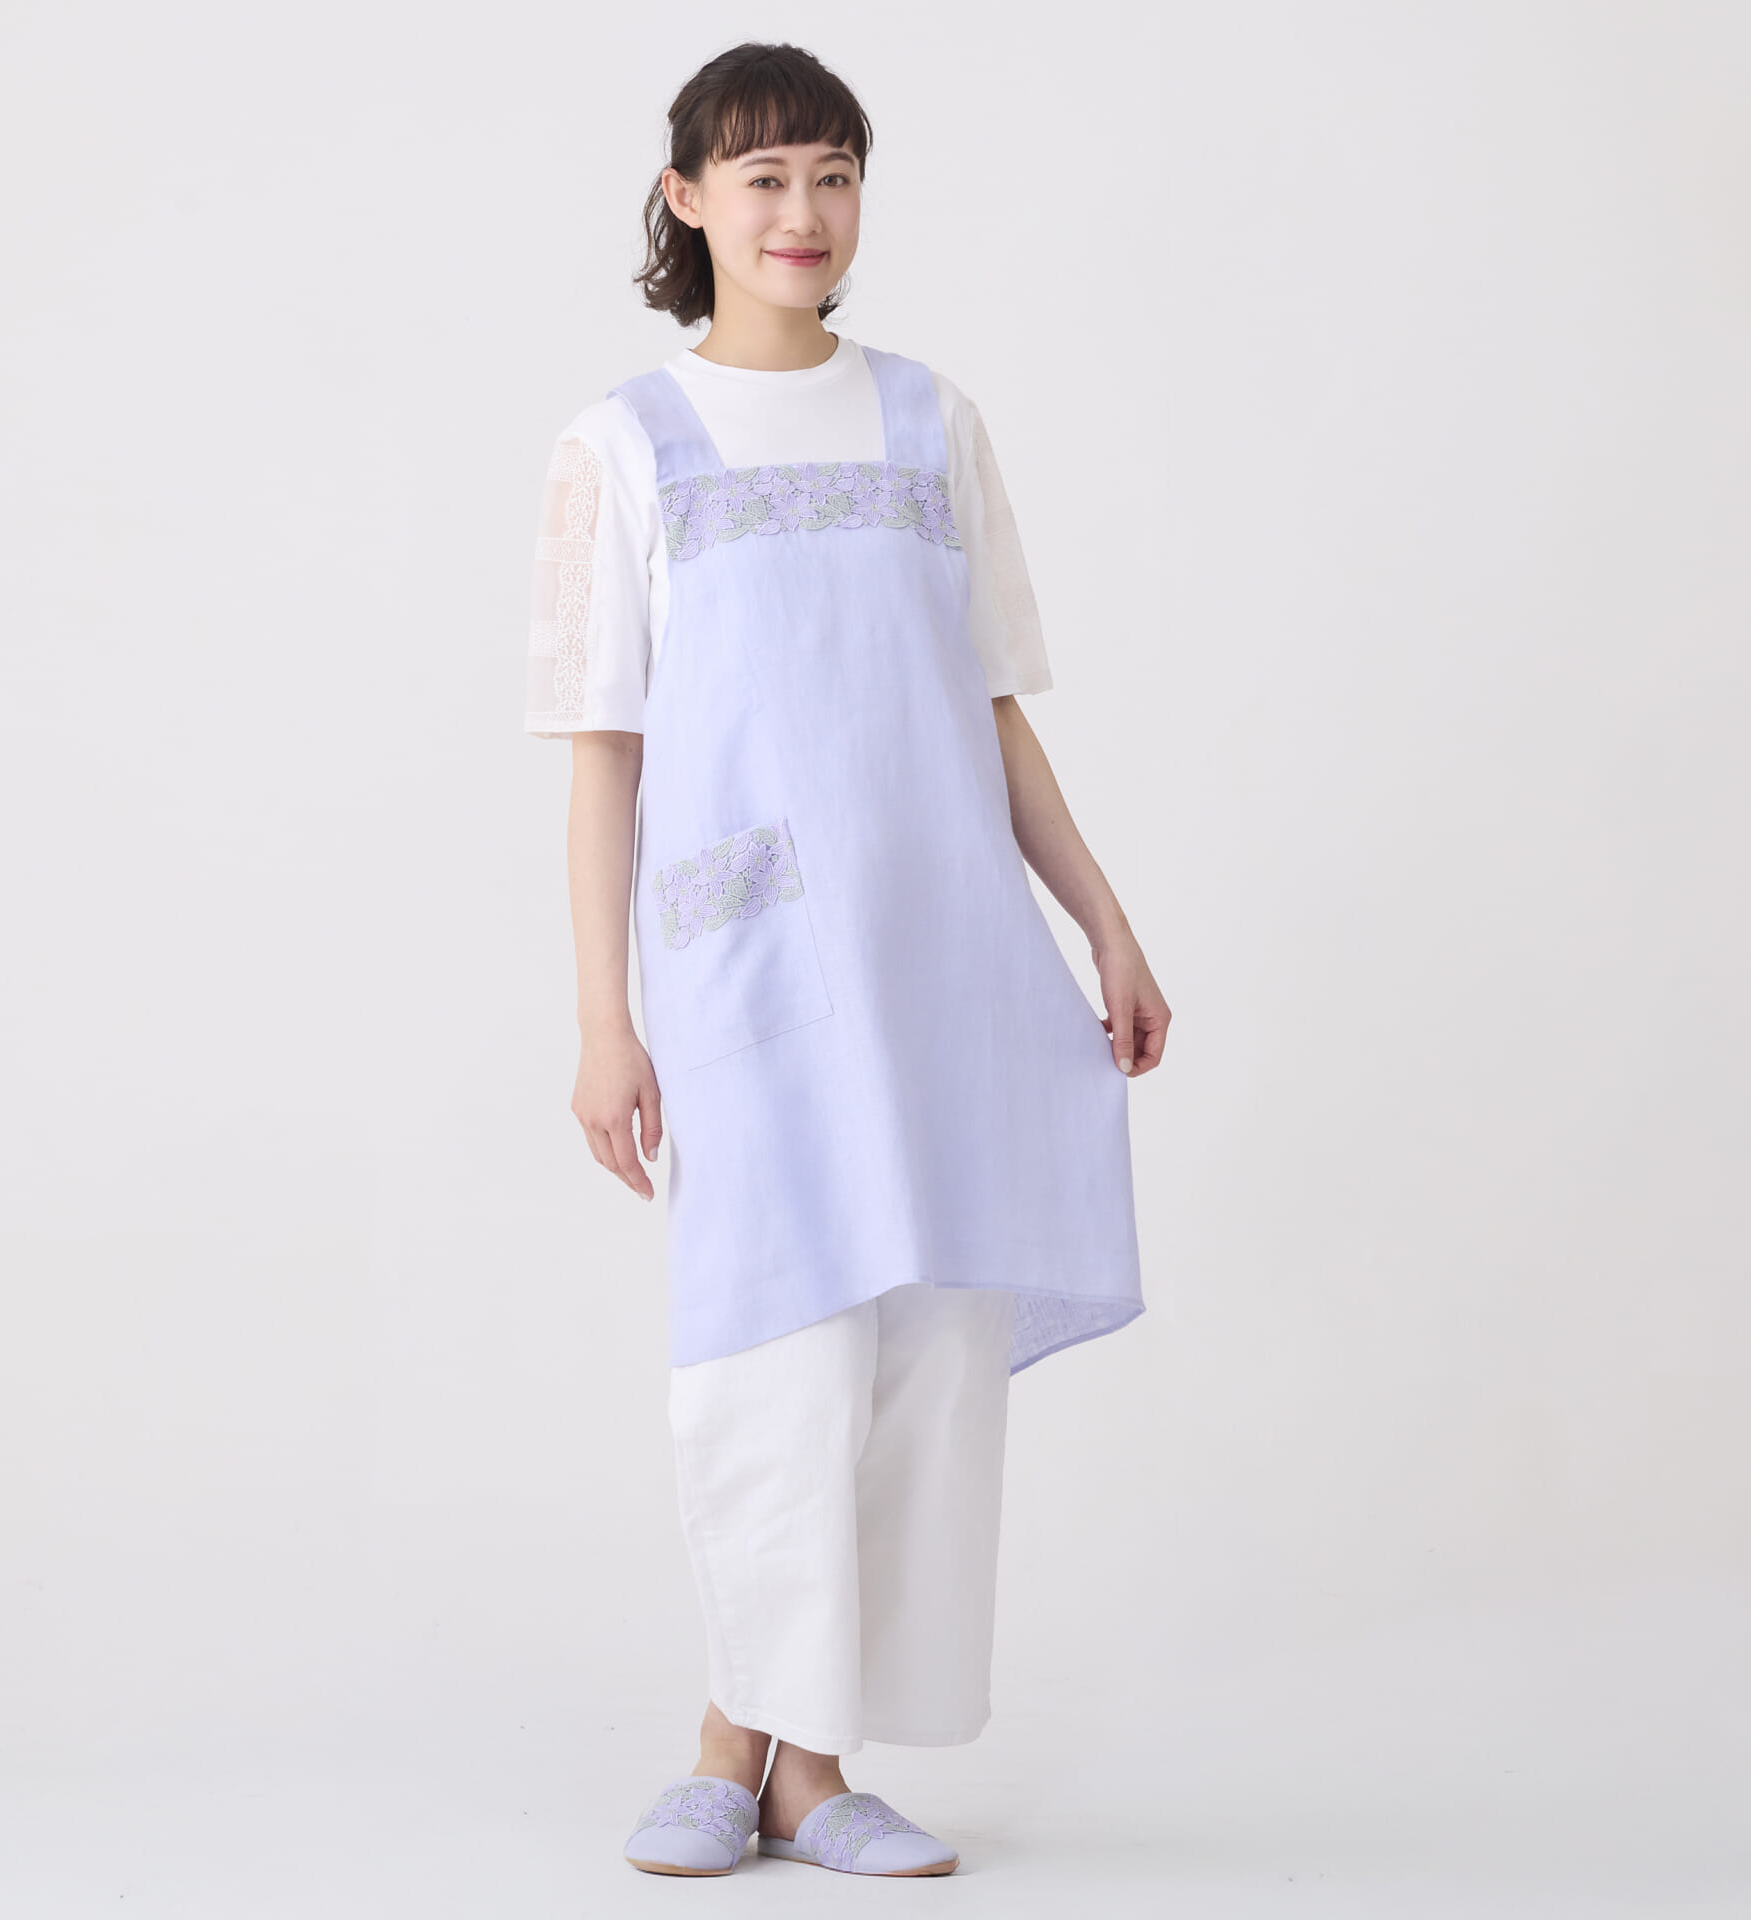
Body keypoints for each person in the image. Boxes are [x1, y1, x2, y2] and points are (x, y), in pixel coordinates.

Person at [523, 41, 1169, 1879]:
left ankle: (809, 1770)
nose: (802, 214)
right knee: (770, 1350)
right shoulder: (621, 448)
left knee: (920, 1359)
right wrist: (603, 1021)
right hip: (746, 968)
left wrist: (1105, 922)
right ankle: (727, 1743)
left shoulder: (928, 421)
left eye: (833, 174)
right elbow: (602, 753)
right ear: (687, 201)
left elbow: (994, 710)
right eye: (763, 179)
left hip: (944, 952)